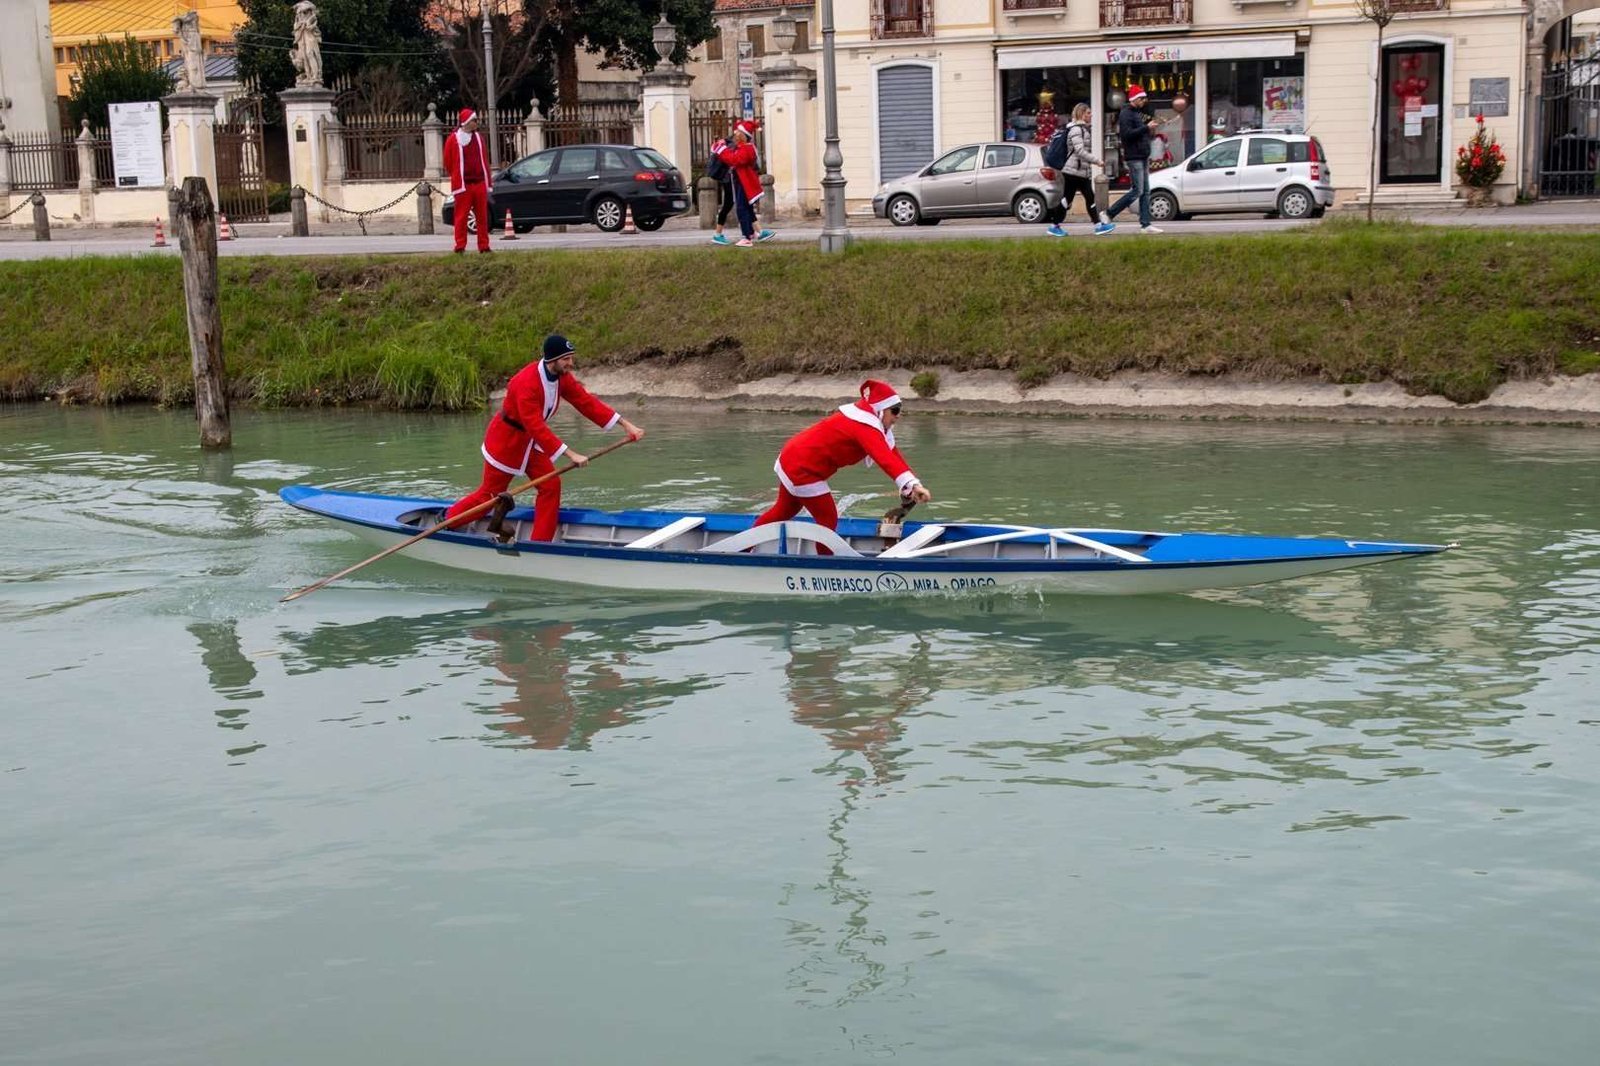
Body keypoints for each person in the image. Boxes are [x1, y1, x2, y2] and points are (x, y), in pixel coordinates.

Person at [445, 334, 645, 542]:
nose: (571, 363)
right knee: (490, 494)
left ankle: (540, 543)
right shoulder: (525, 383)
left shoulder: (561, 378)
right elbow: (536, 426)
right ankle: (449, 521)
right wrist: (571, 454)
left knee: (550, 486)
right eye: (566, 359)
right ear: (552, 359)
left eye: (571, 358)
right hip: (507, 441)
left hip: (530, 443)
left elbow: (586, 402)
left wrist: (626, 425)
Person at [754, 380, 932, 544]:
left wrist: (913, 485)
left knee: (784, 510)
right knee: (828, 520)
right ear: (880, 410)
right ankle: (824, 567)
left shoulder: (871, 425)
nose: (898, 416)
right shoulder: (864, 426)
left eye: (900, 410)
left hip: (793, 456)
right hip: (803, 467)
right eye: (895, 410)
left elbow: (892, 455)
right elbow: (884, 459)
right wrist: (912, 485)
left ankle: (743, 547)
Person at [1046, 103, 1116, 238]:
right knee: (1081, 198)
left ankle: (1057, 225)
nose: (1091, 115)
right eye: (1089, 113)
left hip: (1078, 170)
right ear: (1082, 114)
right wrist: (1096, 161)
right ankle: (1096, 226)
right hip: (1074, 171)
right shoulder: (1077, 130)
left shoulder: (1081, 129)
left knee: (1076, 198)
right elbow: (1079, 151)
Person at [1103, 84, 1164, 235]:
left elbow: (1139, 134)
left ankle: (1145, 224)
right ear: (1135, 99)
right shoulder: (1126, 114)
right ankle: (1109, 213)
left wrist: (1149, 130)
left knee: (1145, 192)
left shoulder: (1136, 113)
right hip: (1134, 157)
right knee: (1138, 190)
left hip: (1142, 156)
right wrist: (1146, 128)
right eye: (1142, 98)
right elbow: (1127, 135)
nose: (1144, 101)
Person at [711, 119, 774, 247]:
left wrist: (721, 150)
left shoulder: (747, 149)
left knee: (742, 209)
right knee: (747, 208)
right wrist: (722, 148)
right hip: (742, 183)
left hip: (745, 184)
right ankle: (754, 233)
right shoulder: (744, 147)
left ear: (743, 136)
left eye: (738, 132)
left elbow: (734, 159)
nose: (735, 134)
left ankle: (746, 237)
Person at [444, 108, 491, 254]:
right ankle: (460, 246)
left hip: (479, 183)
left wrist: (486, 180)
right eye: (474, 120)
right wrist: (457, 176)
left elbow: (484, 159)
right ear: (466, 122)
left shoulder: (478, 138)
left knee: (482, 217)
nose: (477, 123)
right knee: (461, 216)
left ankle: (484, 246)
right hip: (464, 185)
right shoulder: (453, 139)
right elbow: (448, 161)